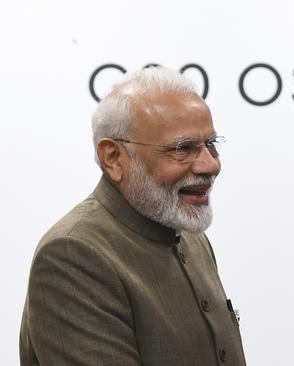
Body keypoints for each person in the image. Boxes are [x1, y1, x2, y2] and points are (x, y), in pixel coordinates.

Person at [19, 67, 246, 365]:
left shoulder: (188, 234)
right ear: (113, 157)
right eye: (183, 148)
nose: (210, 165)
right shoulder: (73, 254)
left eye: (211, 145)